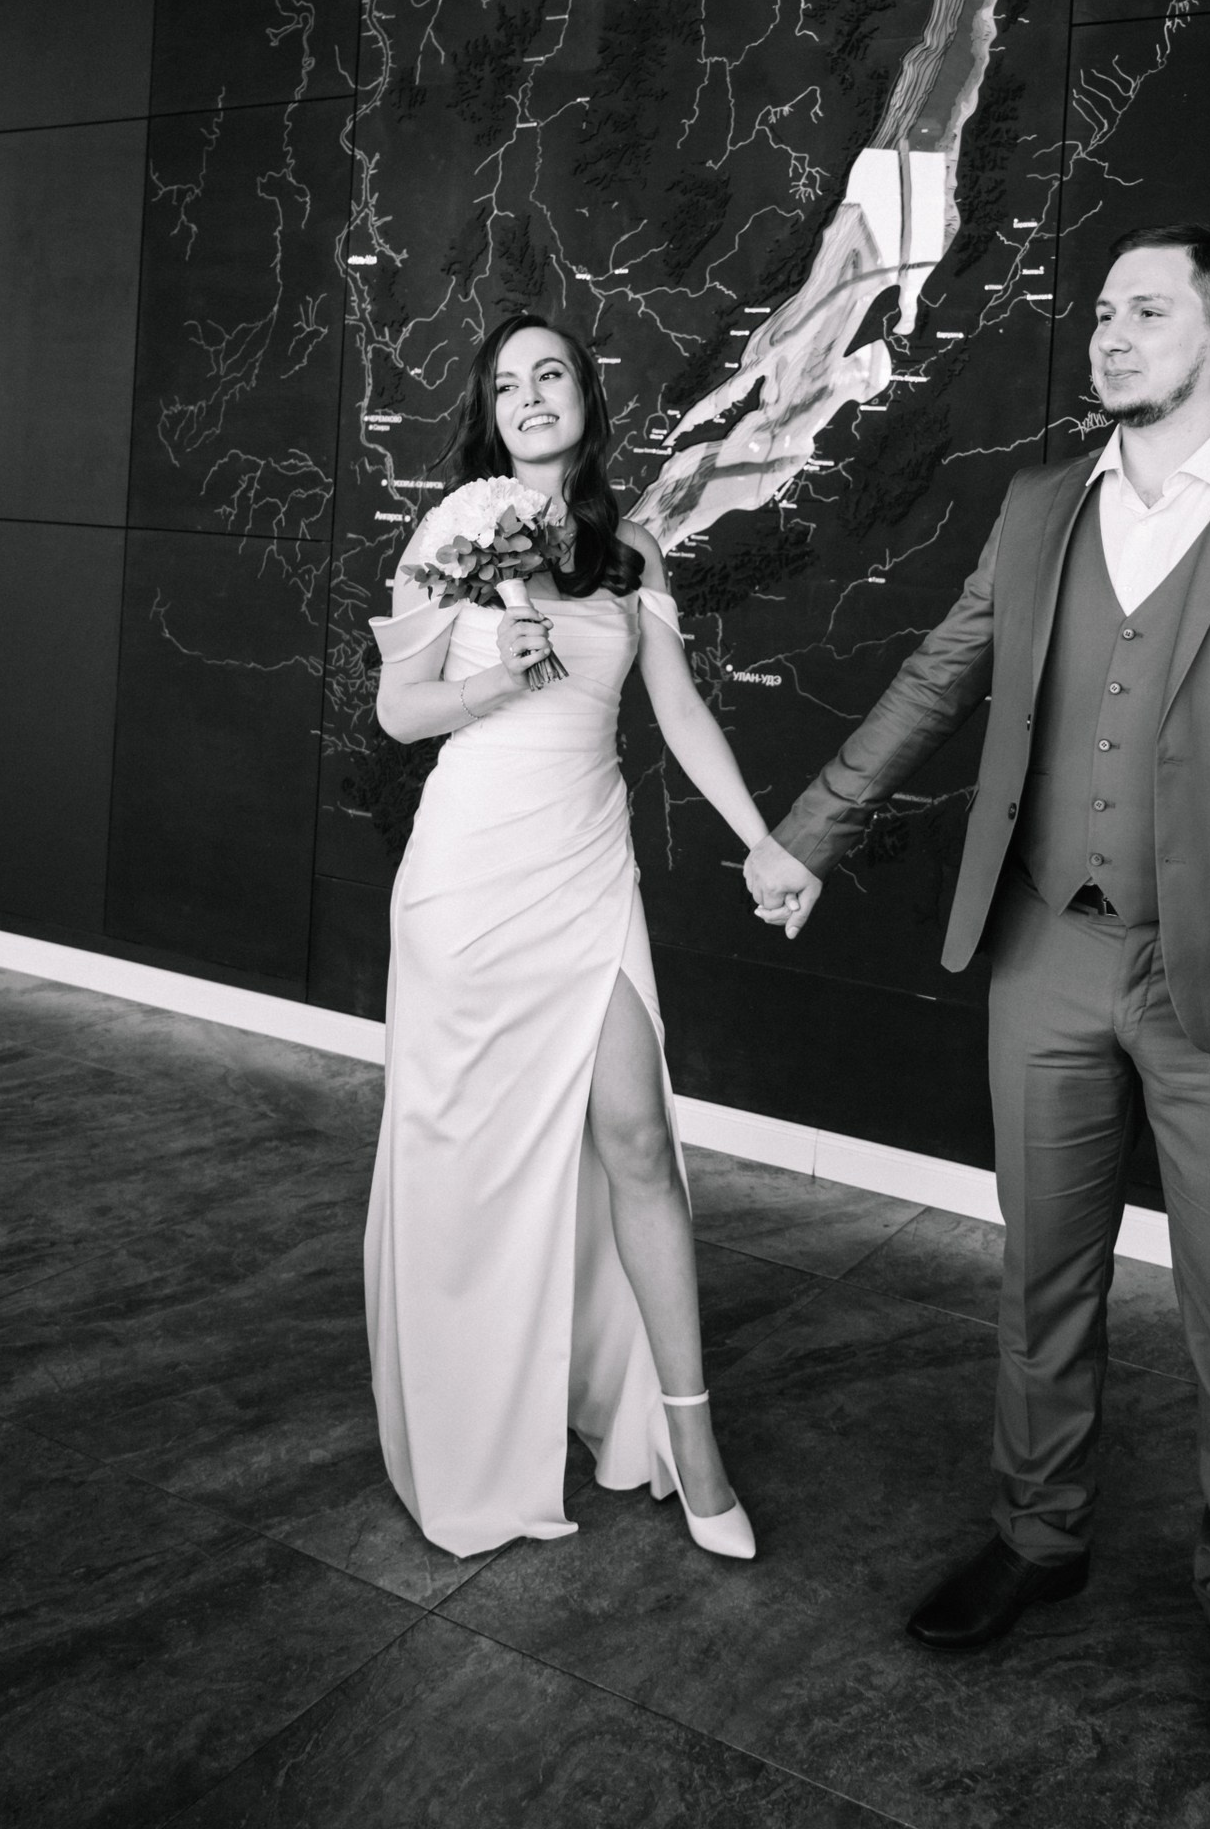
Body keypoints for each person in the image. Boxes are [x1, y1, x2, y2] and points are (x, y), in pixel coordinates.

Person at [745, 224, 1210, 1787]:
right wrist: (807, 832)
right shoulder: (1040, 505)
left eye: (1147, 311)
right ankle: (1036, 1536)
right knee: (1039, 1272)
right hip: (1045, 947)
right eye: (1102, 311)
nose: (1109, 334)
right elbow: (939, 670)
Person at [367, 311, 772, 1563]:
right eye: (507, 384)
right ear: (489, 416)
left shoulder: (634, 548)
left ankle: (691, 1438)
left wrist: (762, 840)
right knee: (470, 1163)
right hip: (468, 880)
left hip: (587, 866)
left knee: (638, 1135)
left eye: (551, 374)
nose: (530, 395)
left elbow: (680, 711)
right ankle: (475, 1432)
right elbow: (398, 712)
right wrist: (501, 672)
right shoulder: (447, 533)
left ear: (587, 398)